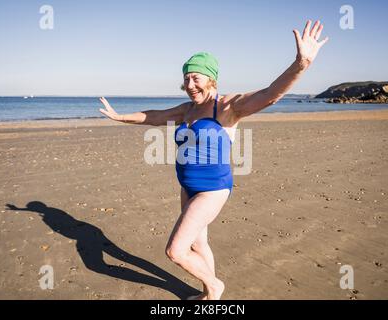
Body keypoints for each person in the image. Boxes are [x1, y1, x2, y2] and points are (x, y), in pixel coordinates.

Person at [99, 20, 328, 300]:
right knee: (199, 243)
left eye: (196, 77)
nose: (189, 83)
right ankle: (210, 295)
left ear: (211, 79)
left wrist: (300, 65)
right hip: (188, 188)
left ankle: (215, 285)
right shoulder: (186, 109)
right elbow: (155, 116)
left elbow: (270, 94)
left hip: (212, 190)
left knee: (175, 251)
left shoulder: (228, 107)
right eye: (186, 78)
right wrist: (120, 117)